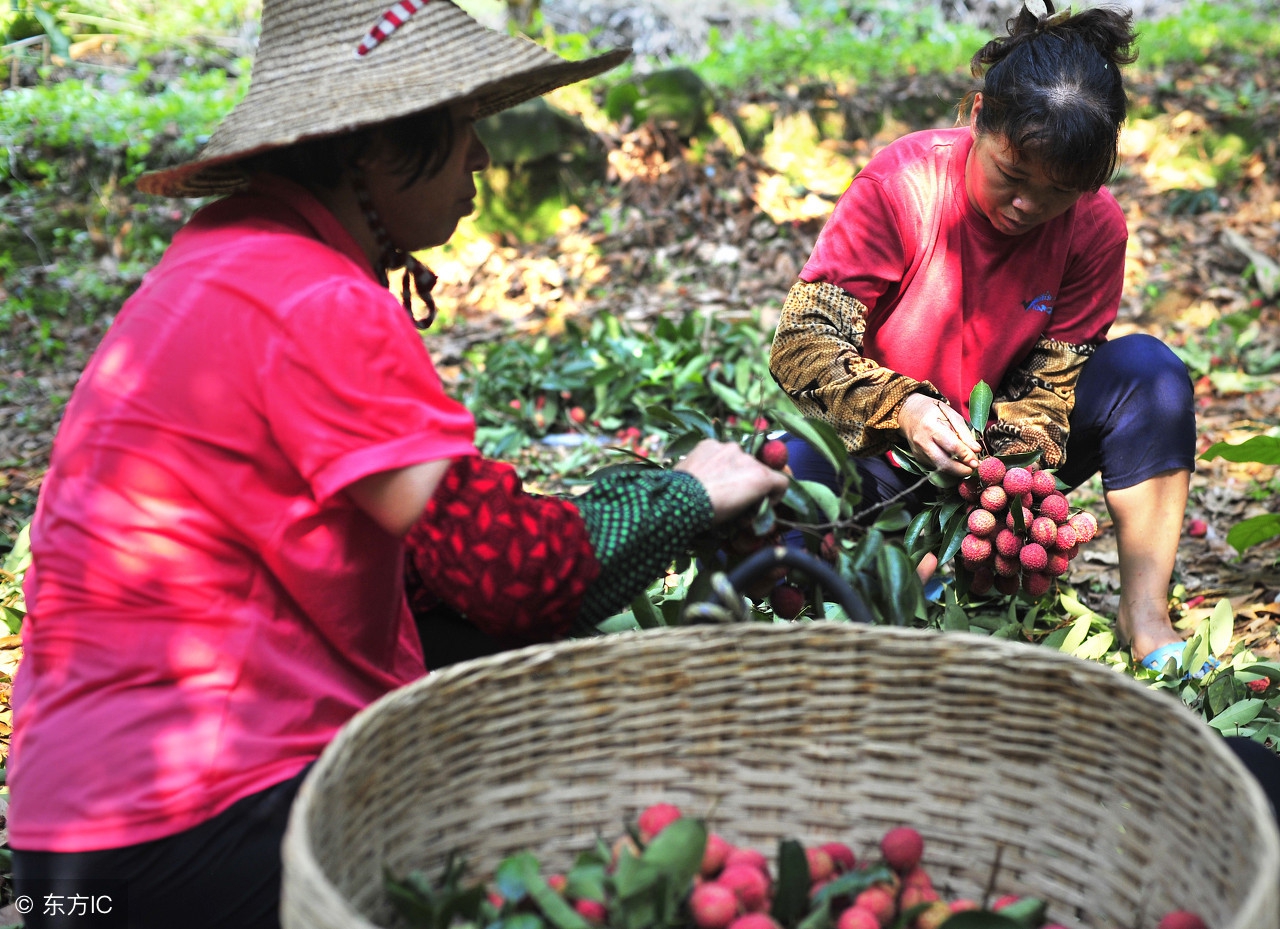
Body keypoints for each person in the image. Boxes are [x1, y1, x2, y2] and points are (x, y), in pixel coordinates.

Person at [6, 2, 790, 927]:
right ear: (373, 147)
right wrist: (685, 493)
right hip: (200, 831)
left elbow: (422, 547)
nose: (483, 161)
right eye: (462, 130)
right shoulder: (319, 300)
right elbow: (512, 573)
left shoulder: (223, 255)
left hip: (71, 850)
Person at [768, 1, 1202, 675]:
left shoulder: (1095, 228)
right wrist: (906, 409)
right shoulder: (901, 186)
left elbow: (1052, 389)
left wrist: (1000, 485)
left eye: (1058, 192)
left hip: (991, 452)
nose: (1028, 204)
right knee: (775, 481)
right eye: (1012, 175)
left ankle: (1145, 616)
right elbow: (803, 341)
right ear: (977, 114)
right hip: (879, 452)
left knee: (1152, 375)